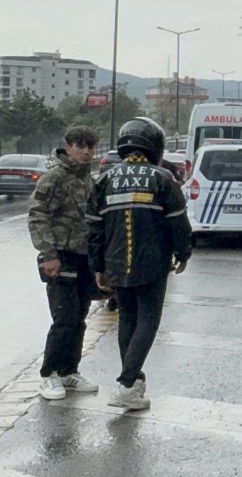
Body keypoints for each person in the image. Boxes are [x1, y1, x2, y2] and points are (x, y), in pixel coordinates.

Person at [87, 117, 191, 410]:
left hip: (116, 262)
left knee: (128, 318)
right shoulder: (162, 178)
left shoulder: (104, 179)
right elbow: (178, 222)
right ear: (155, 146)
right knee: (148, 319)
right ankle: (126, 383)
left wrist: (97, 266)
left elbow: (94, 228)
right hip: (152, 261)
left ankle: (132, 382)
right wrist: (183, 253)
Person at [28, 126, 103, 401]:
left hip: (84, 257)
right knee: (64, 317)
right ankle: (49, 375)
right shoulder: (55, 177)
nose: (86, 151)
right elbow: (37, 216)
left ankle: (70, 370)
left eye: (91, 146)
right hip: (60, 255)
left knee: (79, 317)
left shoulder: (88, 179)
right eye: (80, 146)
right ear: (68, 146)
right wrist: (48, 254)